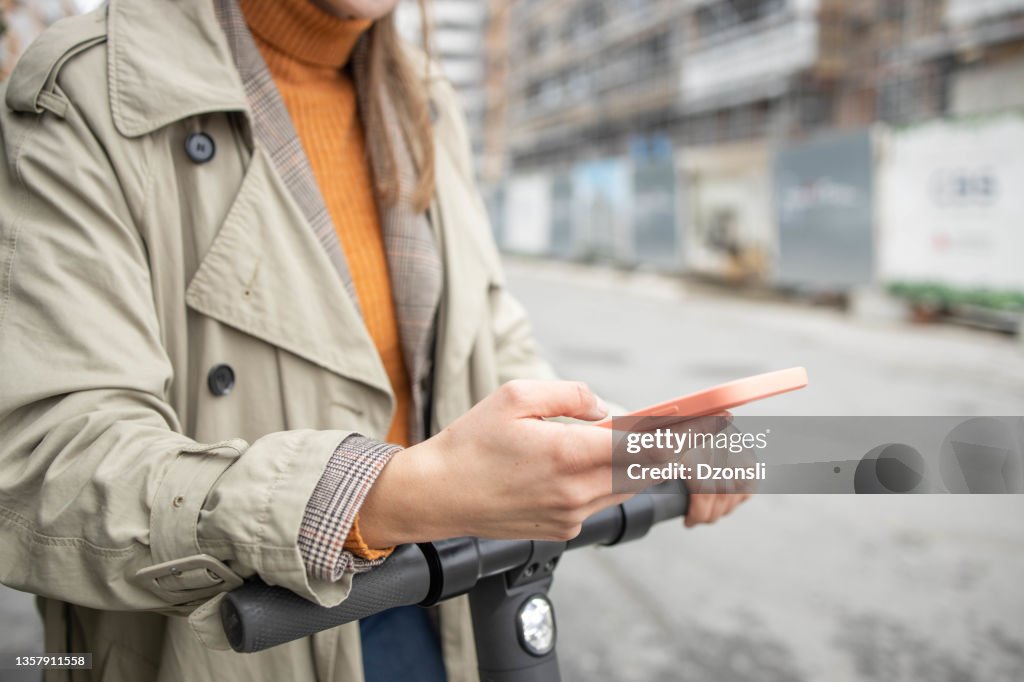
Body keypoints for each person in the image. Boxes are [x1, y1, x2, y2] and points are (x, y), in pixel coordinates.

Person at [0, 0, 749, 680]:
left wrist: (626, 441)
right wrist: (370, 499)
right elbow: (44, 464)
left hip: (439, 610)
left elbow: (487, 341)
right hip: (234, 639)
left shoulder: (424, 97)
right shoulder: (87, 93)